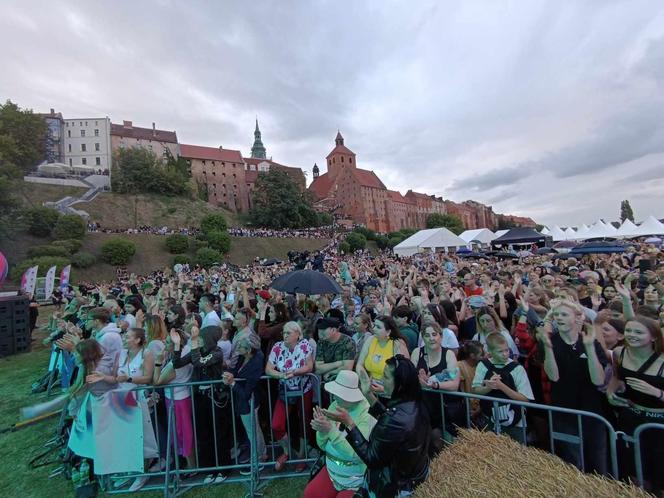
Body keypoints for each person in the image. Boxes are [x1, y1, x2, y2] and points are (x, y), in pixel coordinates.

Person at [324, 356, 430, 498]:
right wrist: (368, 394)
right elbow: (388, 419)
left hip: (393, 486)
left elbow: (371, 458)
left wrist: (349, 423)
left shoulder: (396, 420)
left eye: (385, 377)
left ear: (399, 383)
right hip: (410, 477)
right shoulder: (413, 404)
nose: (380, 379)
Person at [537, 299, 608, 474]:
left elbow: (598, 380)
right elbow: (553, 376)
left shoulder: (591, 342)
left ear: (577, 318)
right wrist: (548, 349)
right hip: (564, 412)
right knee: (572, 463)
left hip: (592, 412)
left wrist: (590, 349)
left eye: (564, 314)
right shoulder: (550, 341)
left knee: (598, 462)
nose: (559, 318)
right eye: (557, 315)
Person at [607, 315, 664, 492]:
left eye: (639, 332)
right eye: (629, 330)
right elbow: (617, 376)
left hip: (659, 422)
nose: (632, 335)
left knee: (659, 470)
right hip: (630, 416)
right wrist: (610, 391)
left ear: (653, 337)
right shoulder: (620, 352)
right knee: (633, 467)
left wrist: (658, 393)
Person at [304, 371, 376, 498]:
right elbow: (322, 446)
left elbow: (357, 454)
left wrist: (330, 430)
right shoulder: (335, 405)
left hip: (355, 480)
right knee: (310, 494)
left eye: (339, 393)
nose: (334, 396)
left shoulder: (367, 414)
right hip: (331, 472)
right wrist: (321, 430)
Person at [265, 321, 314, 472]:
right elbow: (268, 369)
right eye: (284, 333)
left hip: (303, 389)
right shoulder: (278, 347)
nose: (285, 335)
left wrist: (295, 372)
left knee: (304, 424)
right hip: (285, 390)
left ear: (298, 335)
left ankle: (302, 457)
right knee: (276, 424)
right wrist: (279, 374)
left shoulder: (305, 345)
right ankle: (286, 452)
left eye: (288, 333)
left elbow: (309, 366)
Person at [115, 327, 159, 491]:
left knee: (141, 437)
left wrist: (130, 378)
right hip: (121, 399)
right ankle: (129, 471)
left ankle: (142, 473)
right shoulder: (122, 353)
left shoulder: (146, 354)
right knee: (125, 437)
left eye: (128, 336)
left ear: (138, 340)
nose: (124, 338)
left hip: (138, 399)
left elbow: (148, 377)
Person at [472, 332, 534, 443]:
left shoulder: (517, 368)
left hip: (516, 423)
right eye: (500, 351)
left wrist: (501, 386)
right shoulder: (483, 365)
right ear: (490, 352)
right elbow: (475, 390)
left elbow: (525, 399)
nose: (505, 354)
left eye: (506, 350)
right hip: (490, 420)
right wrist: (488, 387)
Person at [410, 321, 460, 449]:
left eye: (434, 334)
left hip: (445, 408)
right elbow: (410, 378)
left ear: (441, 337)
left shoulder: (448, 354)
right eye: (427, 335)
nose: (431, 338)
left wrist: (435, 385)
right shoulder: (417, 353)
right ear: (423, 338)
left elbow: (454, 383)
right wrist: (418, 381)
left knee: (449, 444)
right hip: (424, 407)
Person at [153, 328, 195, 471]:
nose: (165, 343)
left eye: (170, 342)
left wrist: (158, 363)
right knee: (181, 431)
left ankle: (191, 466)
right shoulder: (187, 350)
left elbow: (157, 381)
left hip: (178, 400)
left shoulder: (174, 364)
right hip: (179, 397)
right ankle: (187, 463)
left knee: (183, 432)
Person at [222, 332, 267, 465]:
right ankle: (261, 454)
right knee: (253, 429)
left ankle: (259, 457)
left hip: (249, 401)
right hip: (244, 401)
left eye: (240, 347)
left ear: (248, 350)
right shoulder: (245, 357)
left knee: (252, 430)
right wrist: (230, 375)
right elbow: (236, 371)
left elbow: (247, 392)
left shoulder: (255, 363)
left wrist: (232, 383)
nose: (237, 349)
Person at [356, 316, 409, 394]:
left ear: (388, 332)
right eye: (374, 326)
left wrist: (385, 388)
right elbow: (359, 364)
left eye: (378, 327)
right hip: (370, 386)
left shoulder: (397, 344)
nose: (374, 329)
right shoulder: (370, 340)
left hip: (391, 390)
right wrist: (365, 380)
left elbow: (404, 374)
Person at [315, 317, 357, 383]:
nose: (320, 335)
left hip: (344, 381)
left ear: (333, 330)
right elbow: (318, 369)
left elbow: (347, 368)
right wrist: (338, 363)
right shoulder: (321, 342)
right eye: (319, 330)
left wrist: (329, 373)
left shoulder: (348, 342)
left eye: (323, 331)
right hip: (327, 382)